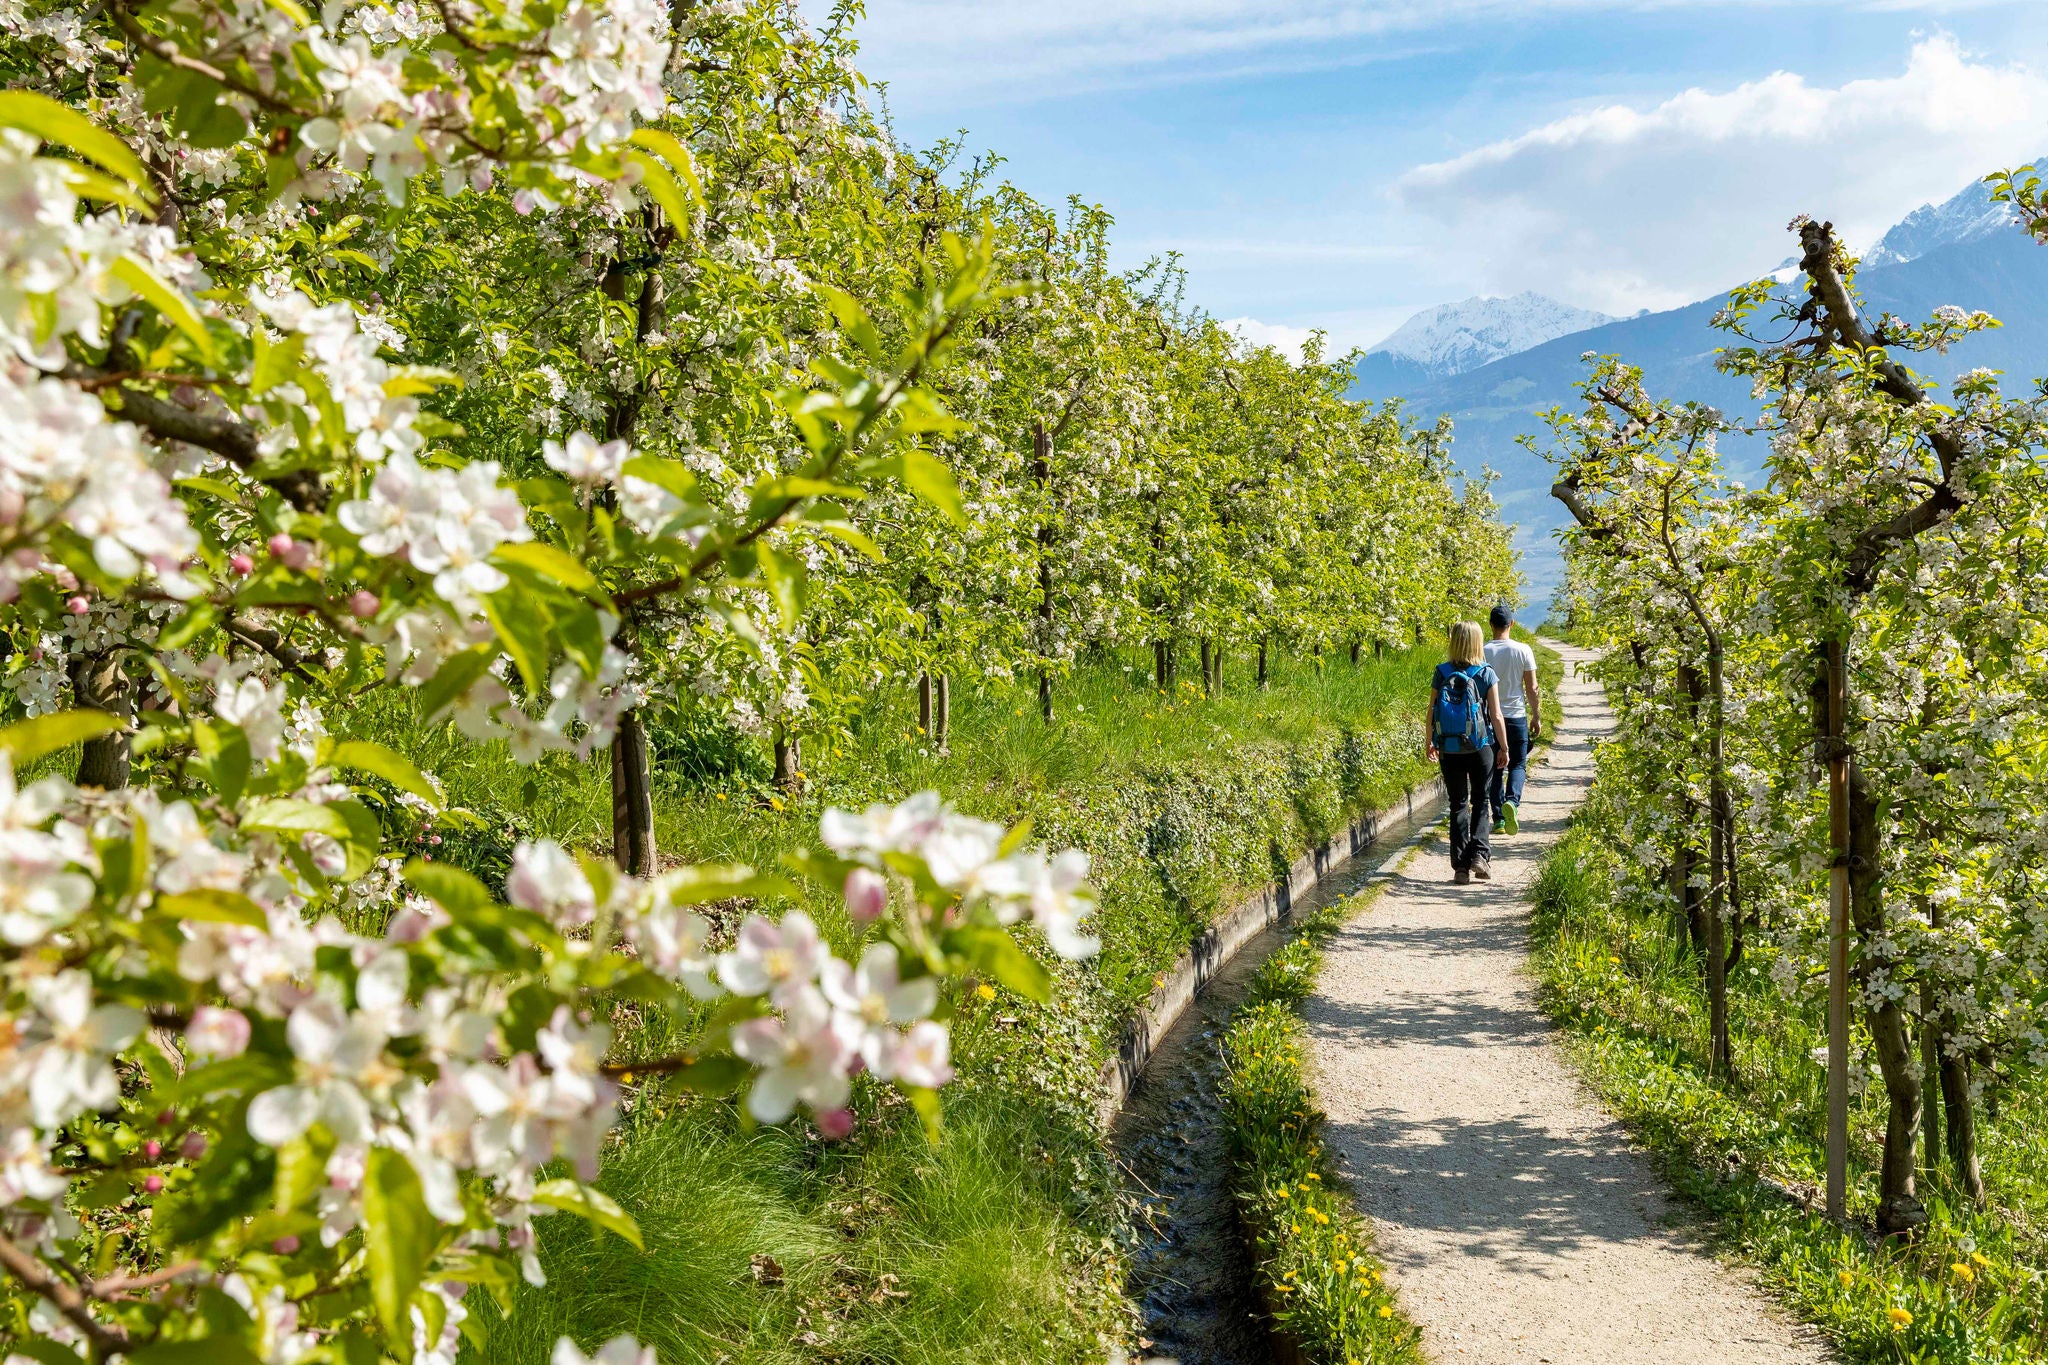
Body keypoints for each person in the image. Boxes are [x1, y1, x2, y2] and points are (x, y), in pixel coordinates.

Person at [1426, 620, 1509, 885]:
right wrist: (1504, 747)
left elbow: (1431, 710)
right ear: (1477, 641)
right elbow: (1495, 714)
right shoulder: (1485, 673)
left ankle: (1460, 867)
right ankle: (1480, 857)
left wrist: (1430, 741)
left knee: (1457, 804)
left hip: (1449, 748)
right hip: (1480, 746)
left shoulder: (1442, 671)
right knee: (1481, 800)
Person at [1482, 604, 1542, 836]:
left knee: (1494, 768)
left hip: (1489, 718)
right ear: (1512, 624)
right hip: (1516, 716)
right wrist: (1536, 715)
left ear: (1490, 624)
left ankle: (1497, 819)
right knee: (1517, 763)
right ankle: (1512, 803)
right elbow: (1532, 688)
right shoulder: (1523, 650)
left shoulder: (1482, 651)